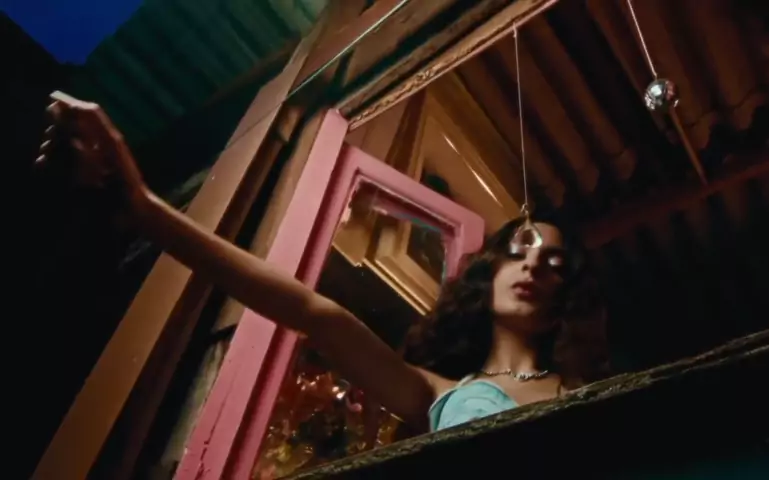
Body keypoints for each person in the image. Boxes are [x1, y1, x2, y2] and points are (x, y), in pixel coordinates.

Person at [37, 92, 603, 433]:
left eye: (553, 263)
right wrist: (145, 209)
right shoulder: (436, 393)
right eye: (519, 249)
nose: (533, 266)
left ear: (565, 299)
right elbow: (309, 310)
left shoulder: (587, 396)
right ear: (489, 276)